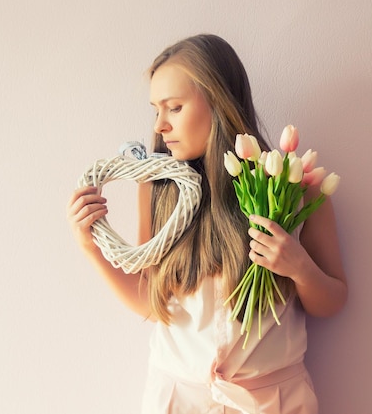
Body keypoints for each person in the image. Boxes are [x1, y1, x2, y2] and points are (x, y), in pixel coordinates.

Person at [66, 34, 347, 414]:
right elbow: (153, 303)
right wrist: (90, 248)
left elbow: (332, 301)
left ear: (219, 101)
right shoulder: (157, 190)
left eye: (174, 107)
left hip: (272, 402)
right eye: (156, 110)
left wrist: (297, 266)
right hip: (179, 400)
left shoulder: (292, 189)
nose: (161, 125)